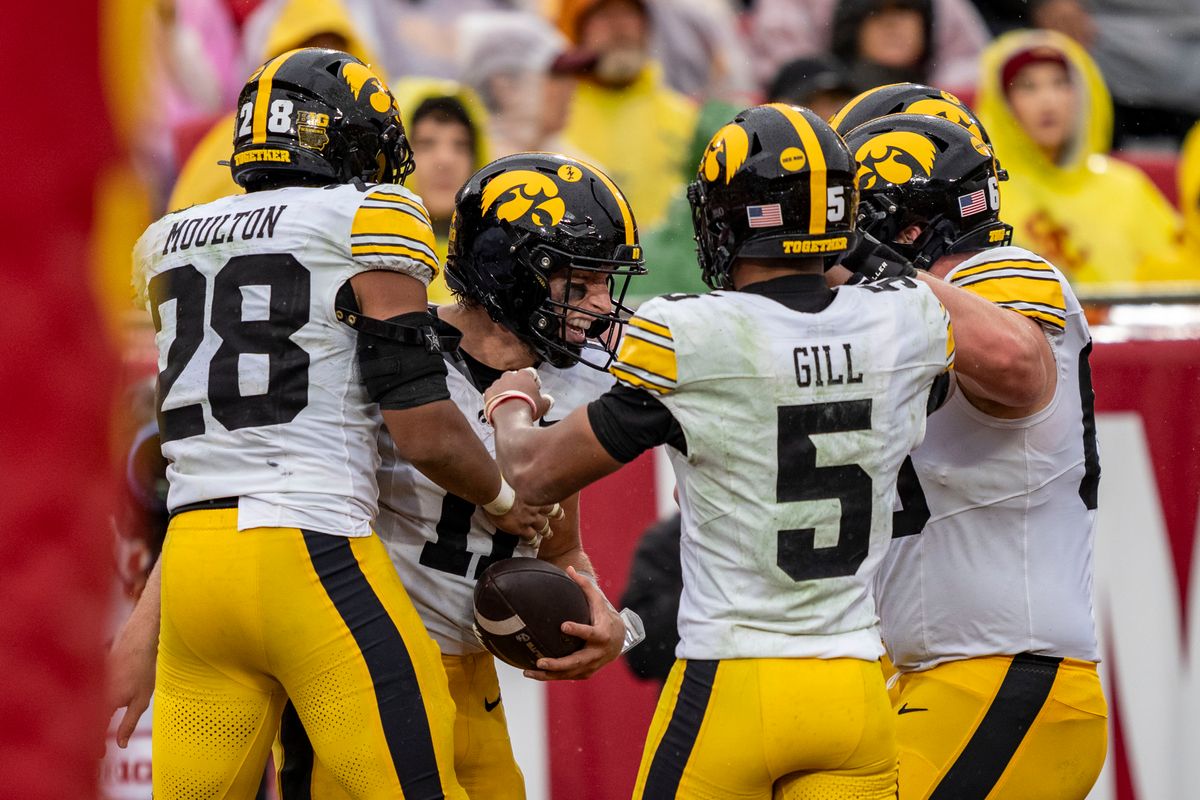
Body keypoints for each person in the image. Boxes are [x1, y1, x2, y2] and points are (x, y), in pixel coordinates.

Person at [111, 48, 555, 798]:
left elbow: (224, 462)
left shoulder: (169, 238)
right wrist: (508, 502)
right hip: (310, 552)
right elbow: (421, 428)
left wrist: (141, 630)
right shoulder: (365, 217)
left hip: (193, 572)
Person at [482, 104, 957, 799]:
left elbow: (532, 471)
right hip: (854, 688)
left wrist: (511, 403)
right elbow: (924, 384)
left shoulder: (695, 333)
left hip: (734, 680)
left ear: (729, 218)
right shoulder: (907, 318)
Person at [274, 152, 648, 800]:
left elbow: (559, 548)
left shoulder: (574, 374)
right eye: (579, 284)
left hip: (477, 683)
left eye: (603, 284)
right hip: (368, 668)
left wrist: (604, 620)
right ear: (511, 273)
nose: (600, 307)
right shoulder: (393, 353)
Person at [838, 112, 1109, 799]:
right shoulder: (898, 313)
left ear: (897, 227)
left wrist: (873, 267)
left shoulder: (1005, 272)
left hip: (1007, 670)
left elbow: (1018, 364)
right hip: (934, 675)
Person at [975, 29, 1185, 287]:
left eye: (1061, 83)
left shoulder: (1128, 188)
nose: (1048, 102)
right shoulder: (987, 195)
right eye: (1028, 87)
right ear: (1003, 104)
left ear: (1084, 94)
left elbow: (1180, 279)